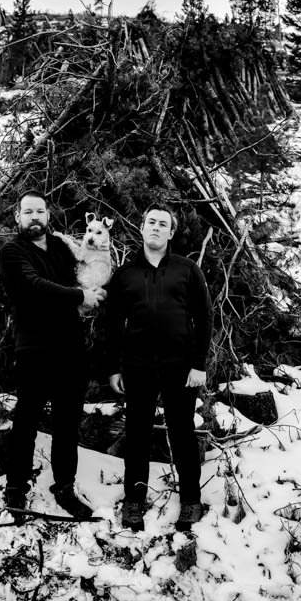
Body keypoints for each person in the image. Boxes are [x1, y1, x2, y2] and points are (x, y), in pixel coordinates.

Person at [98, 205, 212, 532]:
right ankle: (134, 500)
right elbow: (112, 324)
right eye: (152, 222)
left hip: (180, 367)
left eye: (164, 224)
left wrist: (199, 364)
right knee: (136, 434)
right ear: (142, 227)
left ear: (171, 232)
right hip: (138, 366)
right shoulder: (125, 275)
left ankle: (191, 500)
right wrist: (114, 368)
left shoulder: (188, 270)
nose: (157, 228)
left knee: (182, 433)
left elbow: (204, 318)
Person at [0, 192, 104, 517]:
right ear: (17, 217)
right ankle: (16, 491)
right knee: (27, 420)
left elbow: (85, 274)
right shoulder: (12, 252)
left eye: (39, 211)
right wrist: (79, 296)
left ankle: (65, 489)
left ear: (47, 215)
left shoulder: (59, 248)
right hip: (34, 351)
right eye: (27, 211)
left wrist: (94, 282)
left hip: (71, 349)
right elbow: (33, 287)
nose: (34, 217)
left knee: (67, 424)